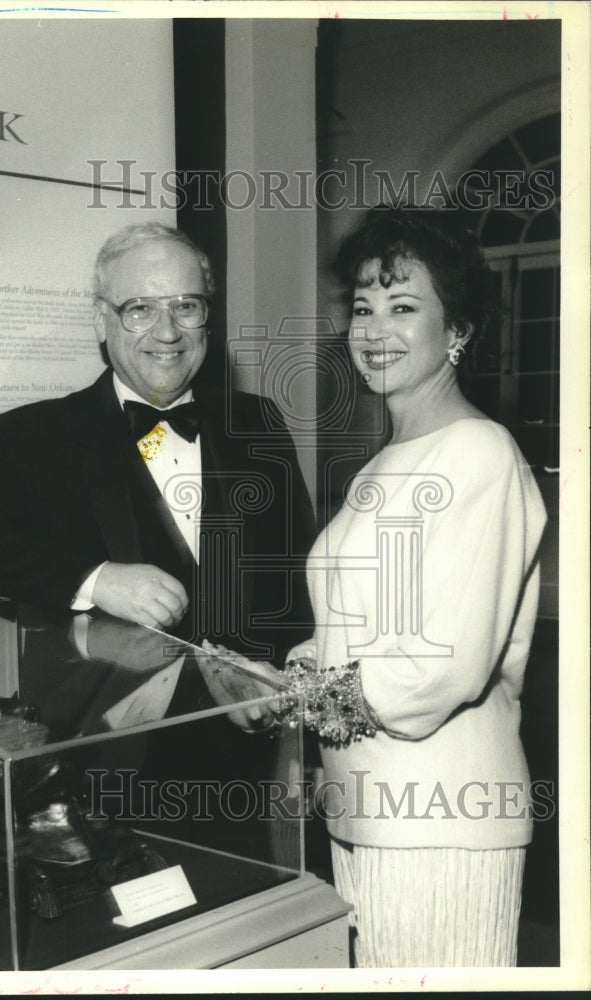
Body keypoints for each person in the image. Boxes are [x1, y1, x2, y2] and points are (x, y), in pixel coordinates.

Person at [281, 208, 547, 967]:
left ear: (455, 328)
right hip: (365, 807)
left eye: (402, 307)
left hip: (439, 814)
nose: (374, 329)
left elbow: (438, 667)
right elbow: (352, 631)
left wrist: (305, 697)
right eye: (362, 308)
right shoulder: (379, 465)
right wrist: (283, 672)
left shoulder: (477, 452)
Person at [0, 223, 314, 660]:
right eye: (140, 309)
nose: (167, 332)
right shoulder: (37, 435)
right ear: (100, 320)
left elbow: (301, 576)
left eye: (186, 305)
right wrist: (95, 580)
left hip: (254, 716)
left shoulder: (258, 422)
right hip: (112, 723)